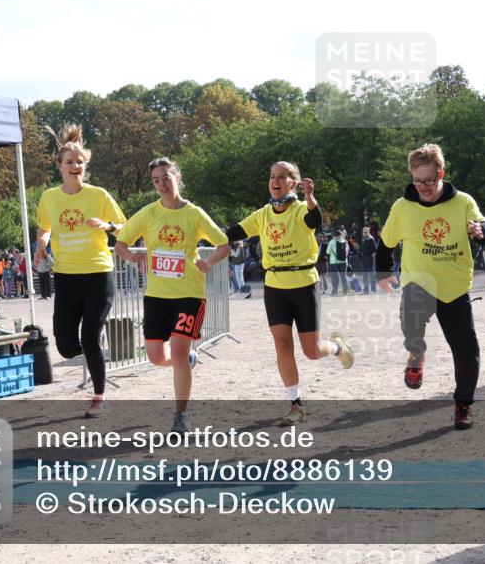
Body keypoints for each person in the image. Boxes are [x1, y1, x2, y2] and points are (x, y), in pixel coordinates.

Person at [226, 161, 354, 426]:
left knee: (312, 351)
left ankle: (338, 347)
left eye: (282, 176)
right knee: (282, 345)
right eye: (272, 176)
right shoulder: (262, 214)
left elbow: (314, 220)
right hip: (275, 286)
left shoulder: (299, 210)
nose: (276, 180)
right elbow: (232, 233)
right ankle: (296, 405)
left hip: (304, 283)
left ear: (294, 183)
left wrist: (310, 198)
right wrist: (198, 234)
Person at [376, 143, 485, 429]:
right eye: (417, 180)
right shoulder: (403, 207)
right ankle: (416, 352)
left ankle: (463, 404)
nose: (423, 187)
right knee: (411, 326)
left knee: (466, 350)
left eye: (428, 180)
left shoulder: (462, 202)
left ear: (441, 173)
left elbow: (483, 228)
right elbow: (386, 243)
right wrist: (383, 273)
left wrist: (480, 231)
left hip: (454, 287)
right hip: (418, 283)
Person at [114, 157, 229, 433]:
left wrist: (208, 262)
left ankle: (181, 416)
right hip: (157, 295)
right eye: (156, 180)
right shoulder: (149, 213)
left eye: (166, 177)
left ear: (177, 177)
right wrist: (131, 255)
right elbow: (120, 243)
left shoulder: (194, 214)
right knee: (155, 357)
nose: (162, 184)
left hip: (189, 293)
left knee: (177, 351)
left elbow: (224, 244)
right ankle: (188, 361)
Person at [34, 124, 126, 418]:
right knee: (64, 343)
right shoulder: (50, 197)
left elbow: (125, 227)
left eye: (80, 162)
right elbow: (45, 228)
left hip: (98, 274)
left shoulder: (98, 195)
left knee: (88, 337)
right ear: (59, 166)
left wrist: (107, 225)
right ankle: (93, 340)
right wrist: (41, 244)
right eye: (70, 162)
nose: (76, 166)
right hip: (66, 276)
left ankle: (98, 396)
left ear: (85, 166)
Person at [327, 230, 349, 295]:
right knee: (343, 276)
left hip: (334, 262)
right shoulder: (345, 241)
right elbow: (347, 252)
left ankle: (335, 291)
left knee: (335, 277)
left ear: (334, 235)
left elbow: (328, 252)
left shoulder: (332, 242)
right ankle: (345, 291)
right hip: (344, 262)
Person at [359, 227, 377, 294]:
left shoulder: (371, 239)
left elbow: (375, 249)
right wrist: (360, 253)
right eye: (363, 232)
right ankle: (366, 289)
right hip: (363, 260)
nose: (365, 233)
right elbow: (361, 248)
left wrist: (367, 251)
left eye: (366, 232)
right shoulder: (363, 239)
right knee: (364, 276)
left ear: (369, 232)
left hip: (370, 259)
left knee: (372, 275)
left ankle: (373, 289)